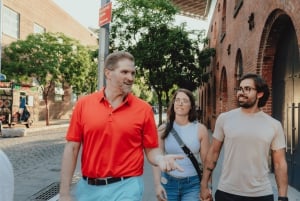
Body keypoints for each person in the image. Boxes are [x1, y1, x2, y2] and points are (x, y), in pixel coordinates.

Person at [59, 51, 183, 201]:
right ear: (108, 73)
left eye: (133, 73)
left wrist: (160, 159)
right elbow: (72, 148)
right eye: (124, 72)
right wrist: (64, 193)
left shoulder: (143, 109)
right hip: (88, 189)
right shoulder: (84, 105)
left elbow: (151, 149)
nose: (130, 78)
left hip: (127, 187)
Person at [200, 73, 288, 201]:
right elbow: (213, 153)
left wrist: (283, 196)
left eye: (247, 89)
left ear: (260, 94)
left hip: (261, 193)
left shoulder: (274, 125)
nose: (241, 92)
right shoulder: (224, 119)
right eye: (240, 89)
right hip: (227, 192)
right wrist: (204, 184)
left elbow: (280, 164)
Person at [153, 88, 210, 201]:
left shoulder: (200, 129)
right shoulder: (163, 129)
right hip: (168, 182)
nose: (180, 103)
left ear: (191, 106)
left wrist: (208, 186)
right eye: (177, 100)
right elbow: (156, 159)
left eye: (185, 100)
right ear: (173, 104)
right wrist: (157, 185)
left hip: (192, 184)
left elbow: (206, 162)